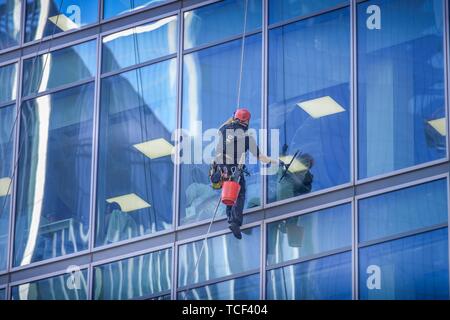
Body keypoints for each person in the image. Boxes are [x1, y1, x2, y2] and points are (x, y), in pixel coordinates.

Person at [211, 108, 281, 239]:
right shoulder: (247, 138)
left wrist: (232, 118)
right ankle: (234, 222)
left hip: (221, 167)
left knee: (230, 193)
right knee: (240, 193)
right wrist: (275, 160)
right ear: (247, 122)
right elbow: (261, 157)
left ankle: (230, 217)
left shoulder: (223, 129)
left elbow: (222, 128)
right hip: (233, 168)